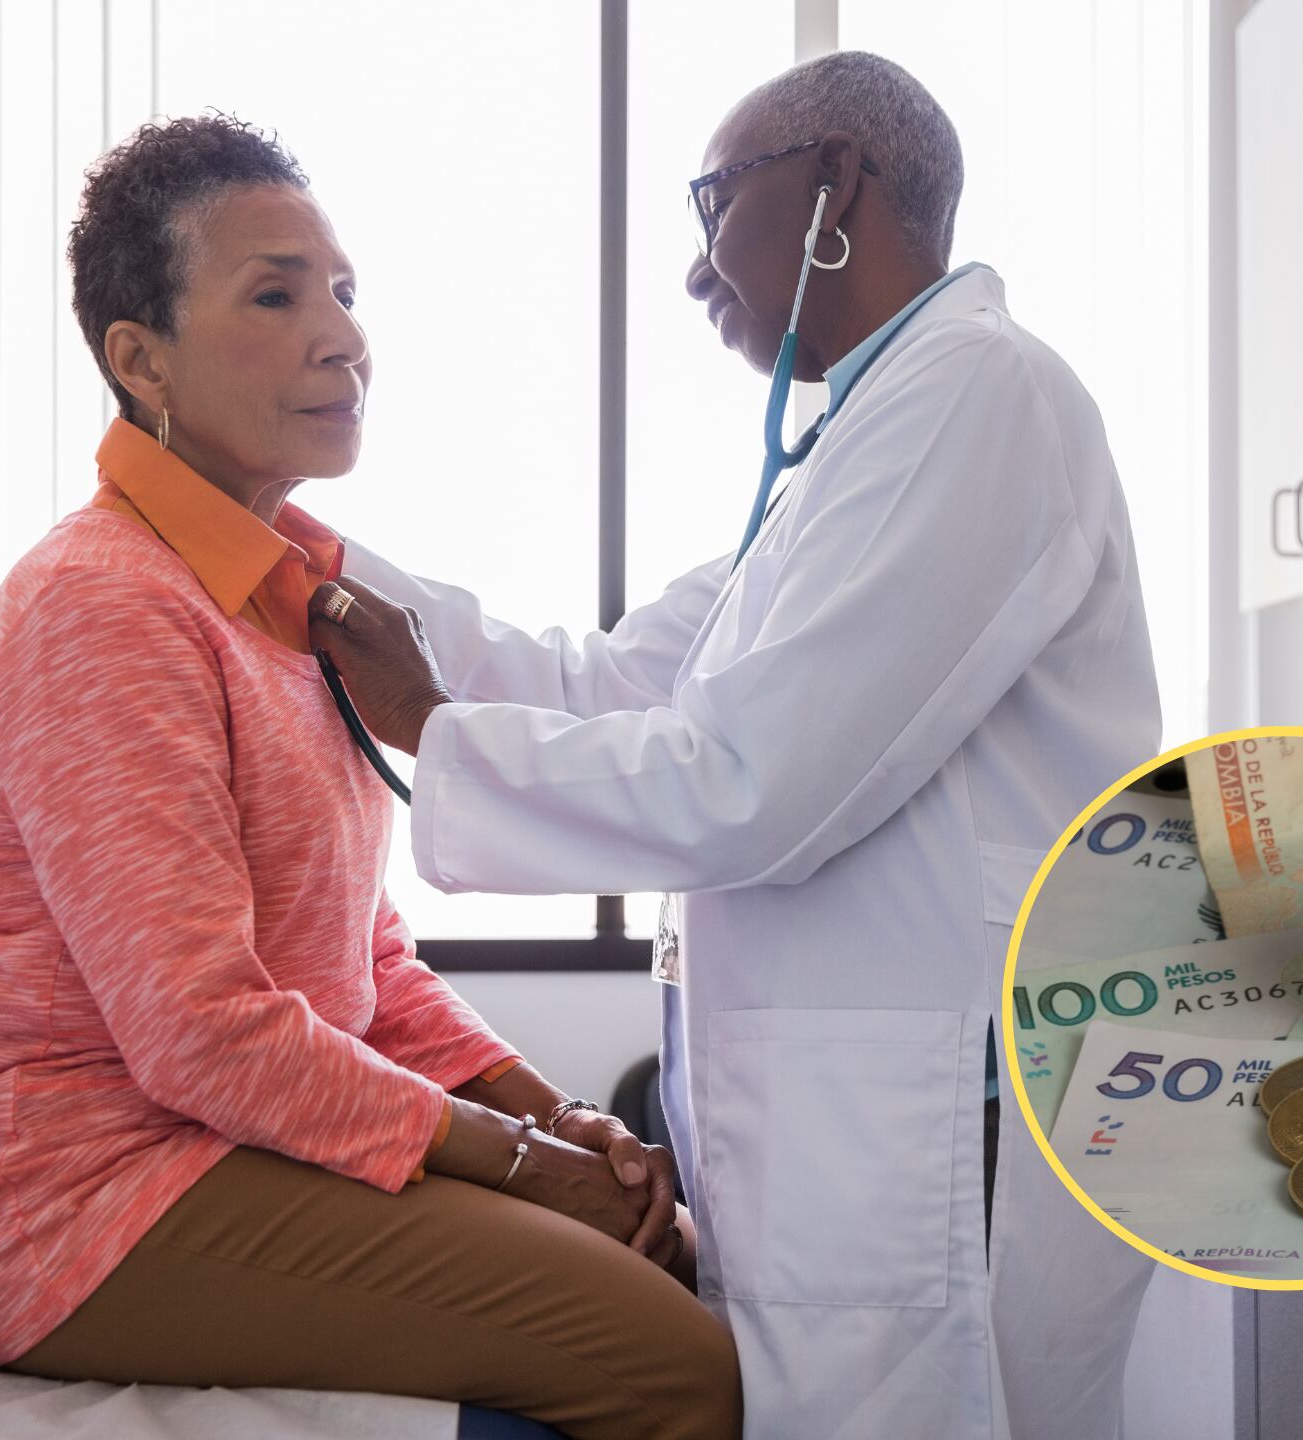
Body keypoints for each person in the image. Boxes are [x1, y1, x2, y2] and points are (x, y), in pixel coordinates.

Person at [311, 52, 1159, 1440]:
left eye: (715, 201)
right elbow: (613, 679)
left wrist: (430, 732)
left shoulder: (980, 397)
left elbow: (753, 779)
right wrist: (320, 569)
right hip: (851, 1119)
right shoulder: (858, 445)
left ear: (837, 183)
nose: (699, 265)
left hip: (948, 1113)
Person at [0, 114, 740, 1440]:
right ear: (138, 360)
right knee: (678, 1367)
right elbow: (203, 1031)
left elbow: (362, 957)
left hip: (219, 1145)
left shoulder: (295, 596)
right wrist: (524, 1168)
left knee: (665, 1257)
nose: (340, 336)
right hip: (65, 1195)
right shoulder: (103, 606)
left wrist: (551, 1117)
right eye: (273, 295)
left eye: (342, 291)